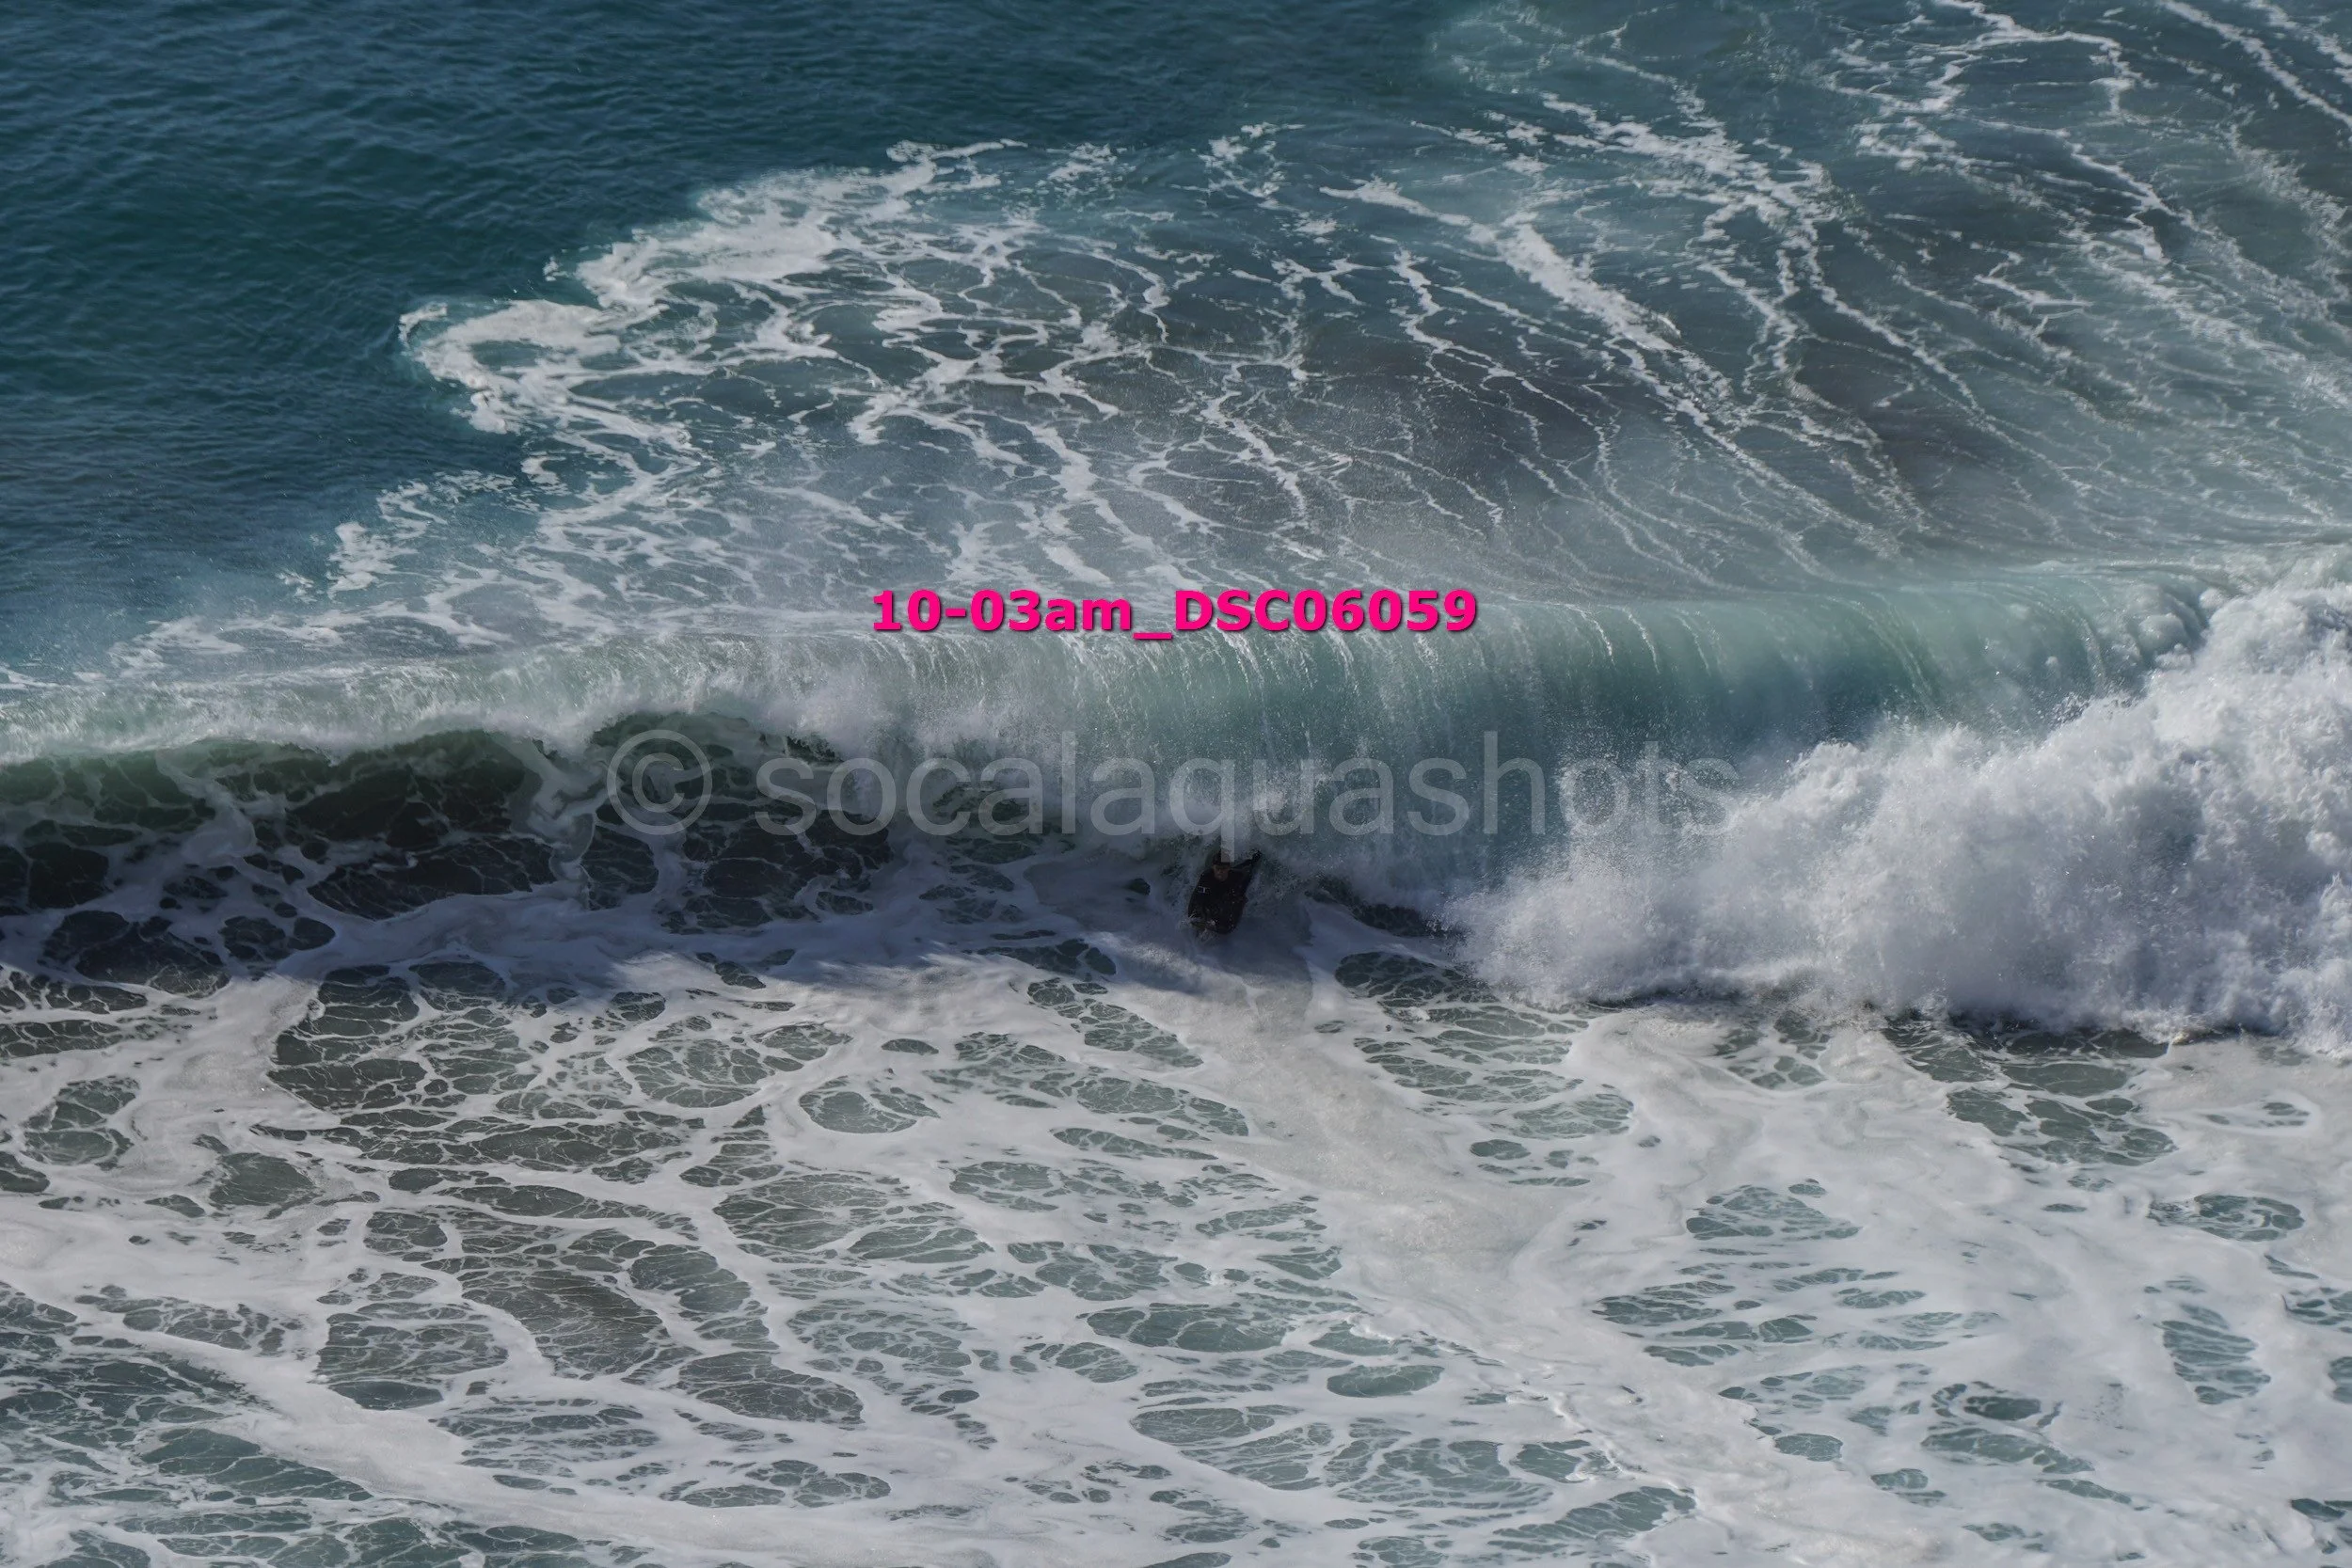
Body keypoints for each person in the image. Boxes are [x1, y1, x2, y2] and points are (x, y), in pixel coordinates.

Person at [1186, 848, 1263, 935]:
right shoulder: (1206, 877)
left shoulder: (1237, 877)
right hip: (1210, 895)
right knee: (1194, 917)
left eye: (1223, 868)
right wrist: (1205, 919)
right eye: (1217, 868)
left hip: (1227, 890)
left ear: (1228, 868)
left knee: (1228, 928)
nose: (1220, 872)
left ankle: (1255, 857)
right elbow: (1199, 901)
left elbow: (1241, 898)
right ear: (1213, 867)